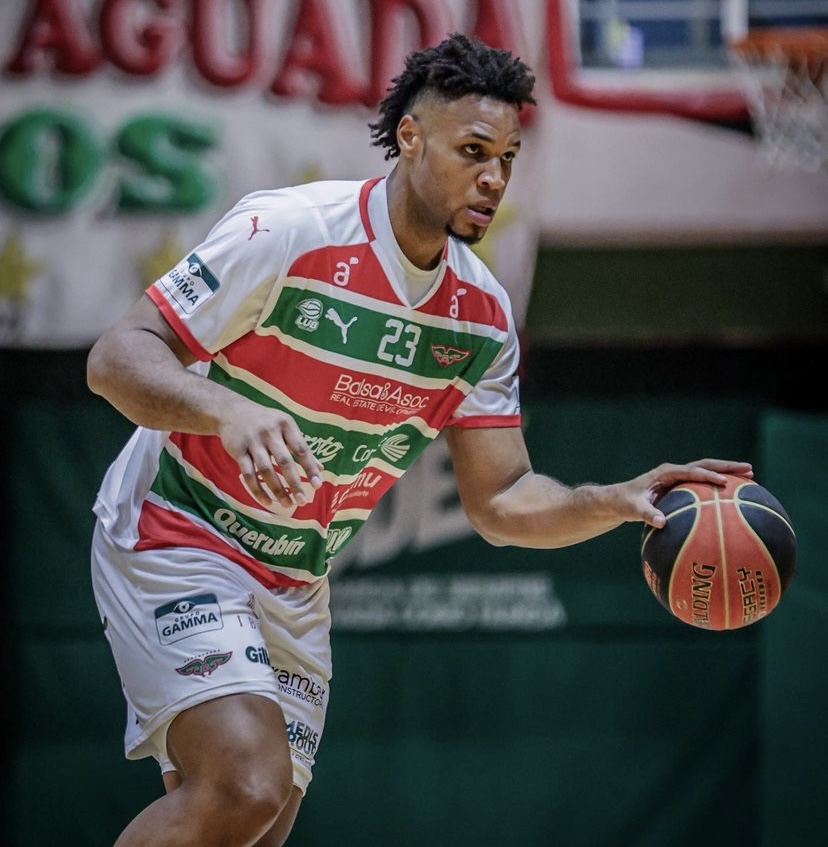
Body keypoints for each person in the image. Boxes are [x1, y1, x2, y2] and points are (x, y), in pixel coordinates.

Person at [87, 32, 752, 847]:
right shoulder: (290, 228)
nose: (494, 178)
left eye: (507, 158)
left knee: (254, 822)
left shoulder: (482, 317)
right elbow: (116, 358)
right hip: (178, 528)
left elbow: (501, 499)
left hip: (295, 576)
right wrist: (226, 410)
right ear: (410, 137)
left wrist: (611, 500)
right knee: (244, 782)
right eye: (474, 151)